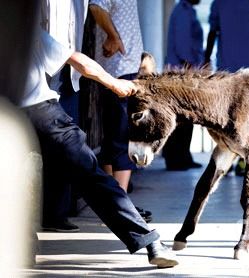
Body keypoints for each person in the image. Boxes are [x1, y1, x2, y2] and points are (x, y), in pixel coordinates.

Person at [21, 18, 178, 270]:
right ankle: (151, 243)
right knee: (93, 177)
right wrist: (114, 83)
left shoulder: (22, 27)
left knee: (87, 175)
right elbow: (78, 61)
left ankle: (149, 241)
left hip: (38, 113)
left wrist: (114, 83)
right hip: (41, 111)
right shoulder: (21, 25)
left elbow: (76, 59)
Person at [89, 0, 152, 221]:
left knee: (113, 136)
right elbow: (97, 7)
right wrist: (114, 37)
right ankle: (120, 207)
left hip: (121, 68)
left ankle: (113, 202)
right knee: (122, 137)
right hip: (119, 71)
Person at [204, 0, 249, 175]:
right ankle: (242, 161)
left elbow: (213, 31)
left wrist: (205, 61)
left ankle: (228, 162)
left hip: (234, 70)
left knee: (225, 117)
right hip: (244, 71)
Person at [39, 0, 89, 232]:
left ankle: (57, 212)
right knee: (40, 143)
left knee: (68, 146)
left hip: (70, 75)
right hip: (43, 70)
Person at [162, 0, 203, 171]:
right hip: (181, 72)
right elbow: (182, 45)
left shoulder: (188, 11)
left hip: (185, 71)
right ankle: (175, 158)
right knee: (180, 116)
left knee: (186, 117)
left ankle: (184, 156)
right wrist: (193, 66)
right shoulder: (182, 11)